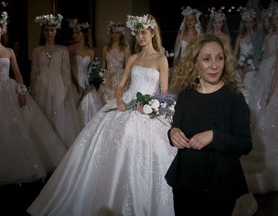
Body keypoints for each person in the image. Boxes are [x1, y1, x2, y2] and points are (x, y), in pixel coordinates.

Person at [27, 14, 177, 216]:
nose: (140, 37)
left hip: (148, 107)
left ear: (152, 33)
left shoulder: (161, 59)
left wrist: (150, 105)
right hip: (126, 103)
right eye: (138, 33)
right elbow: (121, 86)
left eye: (144, 32)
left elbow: (164, 93)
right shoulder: (133, 57)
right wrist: (121, 100)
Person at [165, 34, 253, 216]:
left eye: (219, 58)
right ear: (194, 63)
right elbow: (175, 127)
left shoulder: (234, 98)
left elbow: (245, 144)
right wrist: (172, 133)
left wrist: (214, 136)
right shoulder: (186, 95)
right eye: (206, 59)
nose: (215, 65)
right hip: (186, 182)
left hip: (220, 186)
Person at [0, 11, 66, 184]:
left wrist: (21, 91)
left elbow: (18, 75)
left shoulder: (8, 51)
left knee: (14, 127)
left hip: (7, 89)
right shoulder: (34, 50)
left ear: (2, 30)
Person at [240, 6, 278, 195]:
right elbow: (275, 69)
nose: (275, 23)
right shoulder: (277, 47)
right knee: (271, 113)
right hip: (276, 79)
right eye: (274, 20)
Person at [30, 14, 80, 148]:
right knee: (42, 115)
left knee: (57, 115)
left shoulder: (62, 50)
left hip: (58, 85)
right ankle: (45, 149)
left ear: (56, 31)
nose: (49, 33)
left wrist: (64, 90)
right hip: (41, 86)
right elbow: (34, 73)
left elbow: (66, 73)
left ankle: (58, 148)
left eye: (52, 30)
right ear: (42, 31)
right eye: (46, 30)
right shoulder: (37, 50)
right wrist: (33, 91)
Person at [68, 18, 103, 128]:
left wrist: (92, 83)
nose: (74, 35)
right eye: (73, 32)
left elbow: (92, 70)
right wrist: (76, 85)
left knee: (89, 106)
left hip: (86, 84)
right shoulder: (71, 49)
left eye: (77, 32)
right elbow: (68, 68)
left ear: (83, 34)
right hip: (74, 81)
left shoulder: (90, 51)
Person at [98, 21, 130, 105]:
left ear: (121, 34)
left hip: (120, 77)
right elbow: (104, 65)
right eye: (113, 33)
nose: (114, 35)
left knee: (118, 100)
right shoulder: (106, 48)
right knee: (106, 101)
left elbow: (127, 66)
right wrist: (102, 77)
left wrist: (126, 79)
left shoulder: (125, 48)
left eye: (117, 33)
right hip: (108, 77)